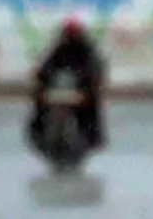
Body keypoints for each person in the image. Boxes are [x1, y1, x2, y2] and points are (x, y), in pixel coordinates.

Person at [31, 19, 107, 149]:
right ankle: (37, 130)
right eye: (69, 35)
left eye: (73, 34)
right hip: (58, 89)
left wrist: (90, 86)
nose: (71, 37)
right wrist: (41, 81)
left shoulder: (88, 51)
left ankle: (93, 135)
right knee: (39, 100)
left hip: (82, 89)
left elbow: (95, 70)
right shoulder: (59, 49)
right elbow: (46, 68)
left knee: (92, 105)